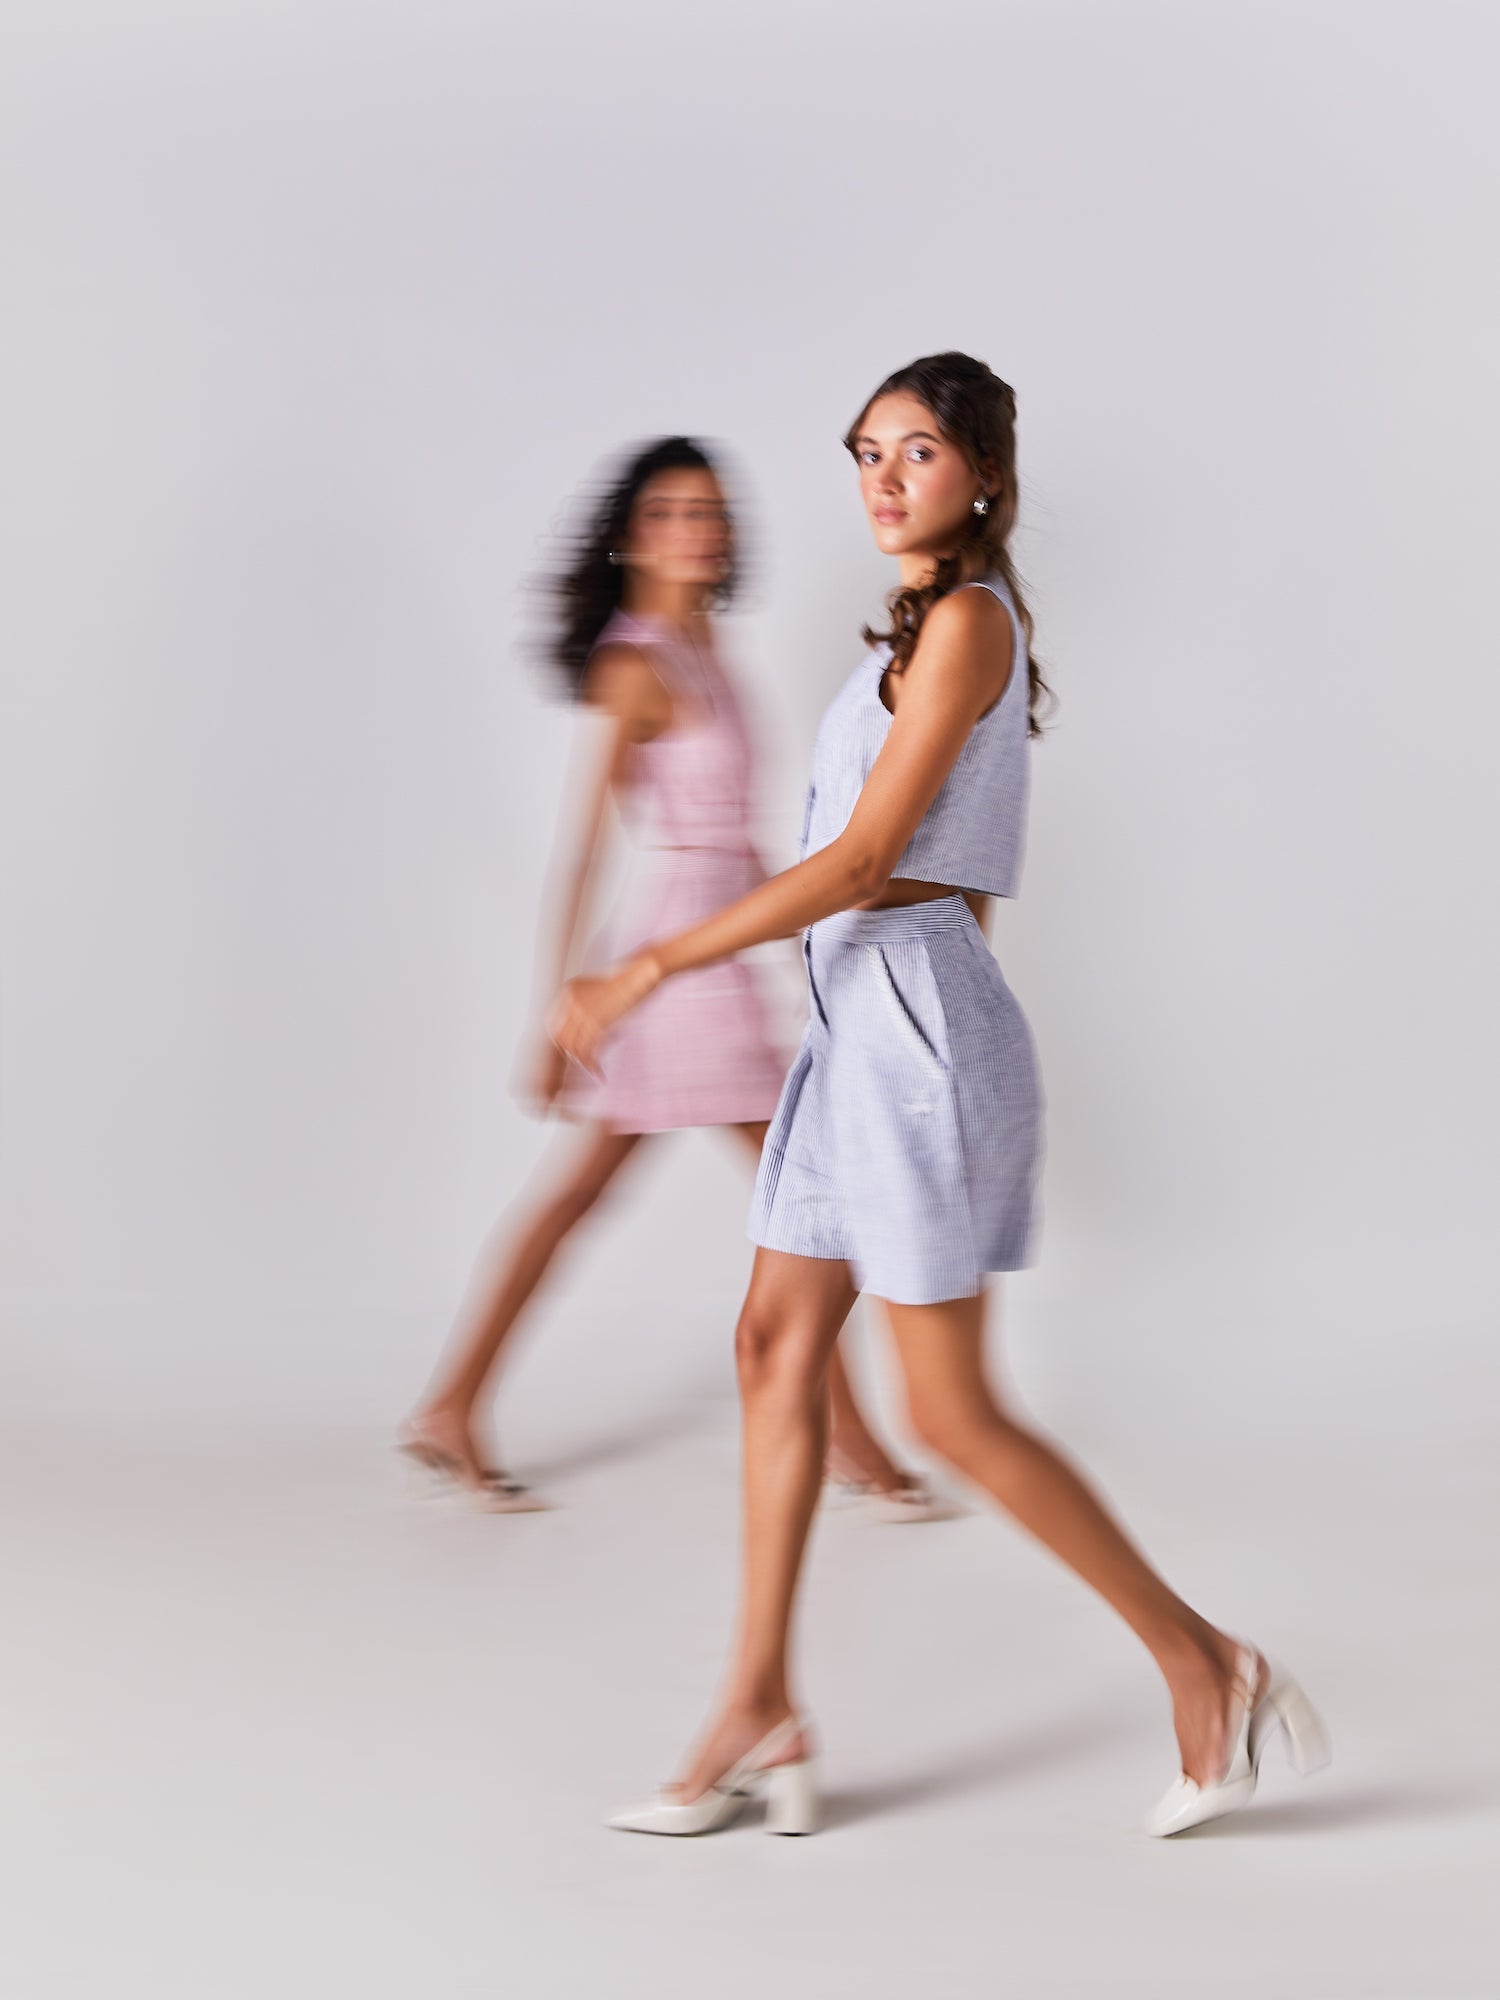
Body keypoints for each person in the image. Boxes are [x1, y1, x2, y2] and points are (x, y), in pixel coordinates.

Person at [549, 359, 1330, 1836]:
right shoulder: (901, 641)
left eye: (918, 450)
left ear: (982, 472)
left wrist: (647, 967)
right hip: (867, 1030)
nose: (885, 476)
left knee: (950, 1413)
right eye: (866, 452)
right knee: (774, 1345)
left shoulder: (970, 622)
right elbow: (931, 874)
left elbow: (861, 866)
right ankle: (759, 1703)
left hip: (911, 1033)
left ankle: (1206, 1663)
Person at [401, 436, 945, 1520]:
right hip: (670, 973)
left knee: (625, 1192)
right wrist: (555, 1006)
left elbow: (738, 835)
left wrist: (798, 931)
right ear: (628, 534)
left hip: (721, 953)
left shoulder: (703, 640)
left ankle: (453, 1403)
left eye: (709, 512)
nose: (697, 530)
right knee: (794, 1196)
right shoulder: (634, 660)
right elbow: (587, 843)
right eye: (669, 514)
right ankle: (851, 1437)